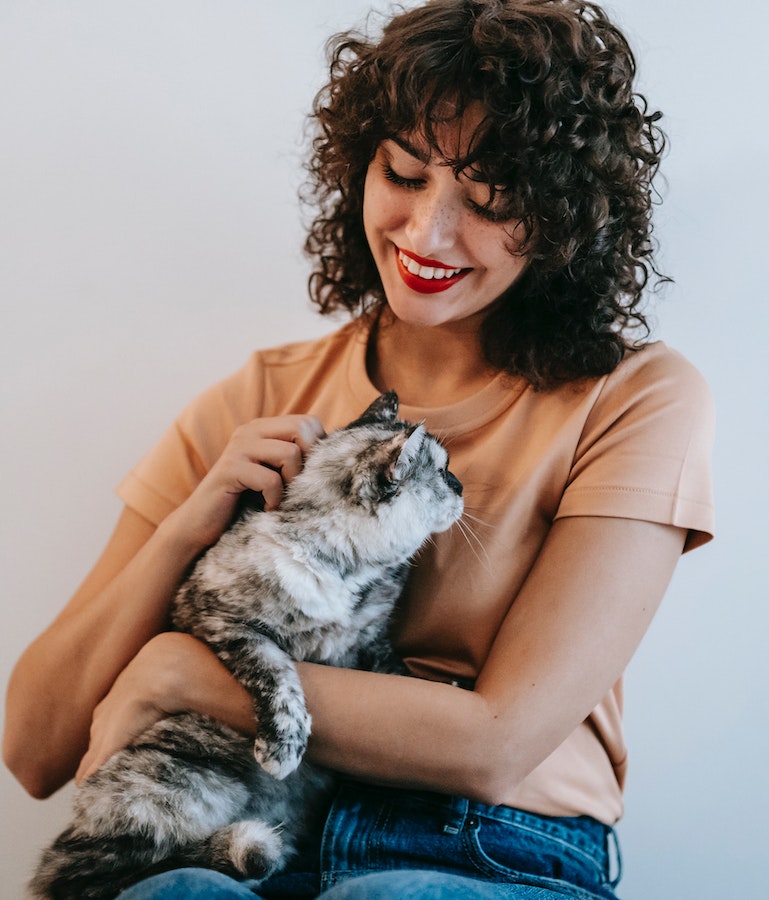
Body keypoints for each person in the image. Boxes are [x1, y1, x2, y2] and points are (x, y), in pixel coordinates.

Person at [3, 0, 714, 897]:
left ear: (564, 220)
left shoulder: (634, 398)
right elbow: (34, 748)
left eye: (489, 200)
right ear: (360, 167)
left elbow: (497, 744)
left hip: (487, 845)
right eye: (405, 174)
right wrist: (187, 526)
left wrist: (181, 670)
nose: (427, 234)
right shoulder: (261, 398)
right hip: (249, 815)